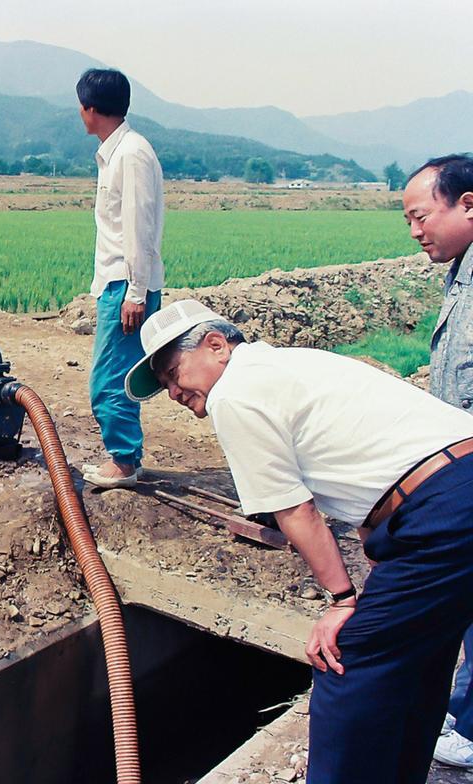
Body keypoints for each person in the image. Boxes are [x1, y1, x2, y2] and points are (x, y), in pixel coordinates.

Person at [124, 298, 473, 784]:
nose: (173, 392)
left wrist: (342, 601)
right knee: (420, 655)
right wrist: (375, 572)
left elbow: (294, 510)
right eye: (163, 385)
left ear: (216, 345)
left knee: (344, 660)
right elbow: (373, 490)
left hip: (446, 508)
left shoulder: (235, 394)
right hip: (454, 491)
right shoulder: (288, 365)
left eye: (171, 372)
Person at [403, 153, 473, 768]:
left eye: (422, 216)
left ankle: (472, 733)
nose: (416, 231)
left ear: (468, 204)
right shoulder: (460, 274)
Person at [76, 68, 164, 488]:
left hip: (125, 287)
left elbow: (138, 228)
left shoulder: (130, 154)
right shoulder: (120, 151)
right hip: (119, 284)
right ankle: (126, 455)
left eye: (82, 105)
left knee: (109, 378)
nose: (80, 112)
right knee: (119, 374)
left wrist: (134, 292)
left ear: (91, 109)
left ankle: (124, 462)